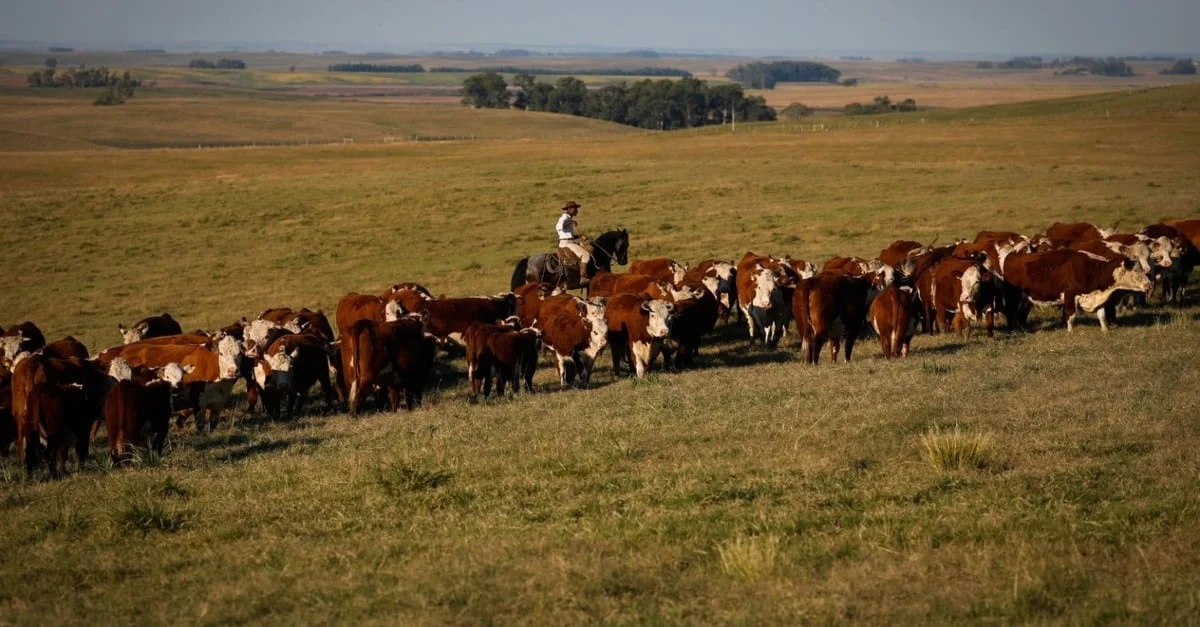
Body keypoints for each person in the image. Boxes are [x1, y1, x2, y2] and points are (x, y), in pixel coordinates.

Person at [556, 201, 592, 272]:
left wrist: (580, 237)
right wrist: (571, 222)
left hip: (568, 241)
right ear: (569, 209)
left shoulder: (568, 218)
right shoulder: (565, 217)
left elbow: (566, 234)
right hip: (567, 243)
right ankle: (583, 276)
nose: (577, 210)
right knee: (586, 255)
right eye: (575, 208)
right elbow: (558, 227)